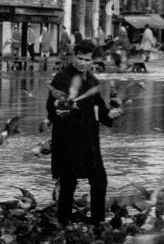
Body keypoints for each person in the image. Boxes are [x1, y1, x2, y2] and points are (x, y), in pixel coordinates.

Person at [47, 40, 121, 226]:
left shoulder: (92, 80)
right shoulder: (61, 78)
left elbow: (100, 110)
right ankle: (63, 222)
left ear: (92, 60)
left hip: (89, 142)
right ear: (73, 55)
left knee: (99, 181)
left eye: (86, 59)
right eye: (79, 58)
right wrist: (61, 108)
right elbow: (52, 109)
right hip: (68, 140)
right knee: (68, 184)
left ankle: (97, 222)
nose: (82, 62)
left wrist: (110, 114)